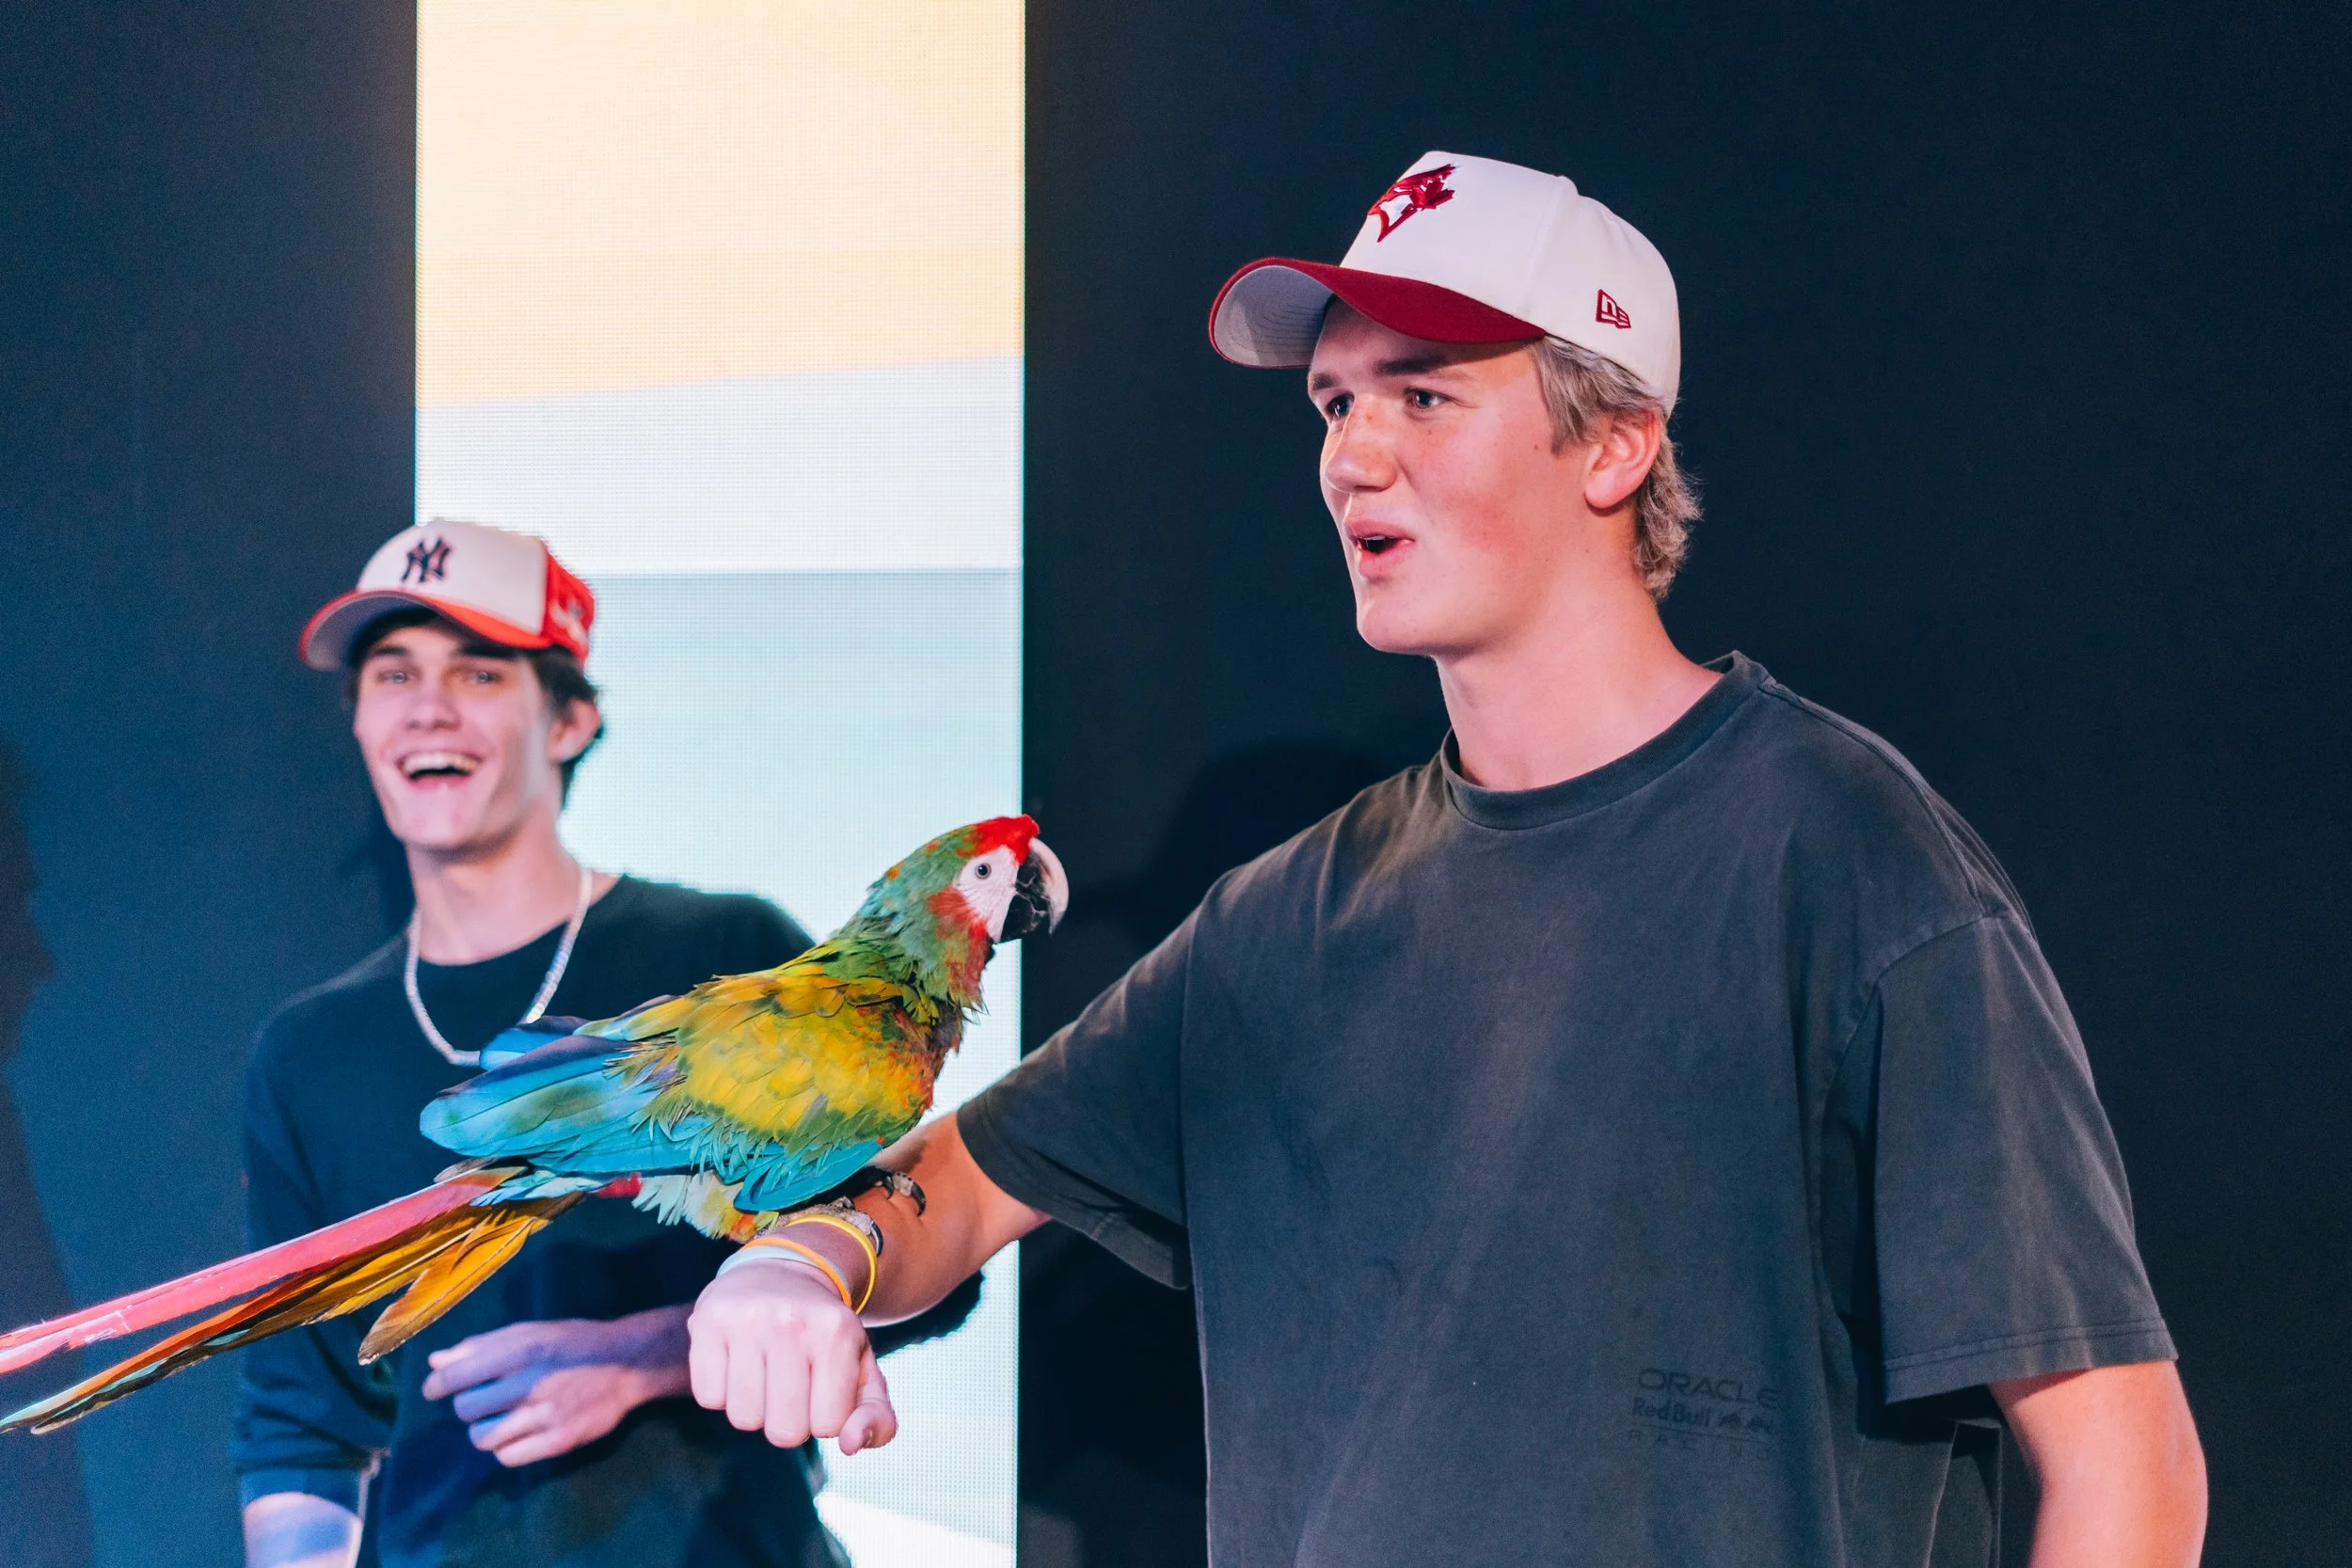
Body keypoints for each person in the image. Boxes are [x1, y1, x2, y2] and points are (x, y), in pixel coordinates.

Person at [684, 153, 2208, 1566]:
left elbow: (2124, 1461)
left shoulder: (1841, 853)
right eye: (1336, 405)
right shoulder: (1283, 924)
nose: (1354, 455)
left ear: (1613, 439)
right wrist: (802, 1263)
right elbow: (946, 1193)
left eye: (1423, 396)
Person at [235, 520, 841, 1568]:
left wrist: (647, 1353)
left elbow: (913, 1264)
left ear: (567, 719)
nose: (429, 704)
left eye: (477, 671)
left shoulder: (733, 960)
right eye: (393, 673)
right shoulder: (309, 1050)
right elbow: (304, 1415)